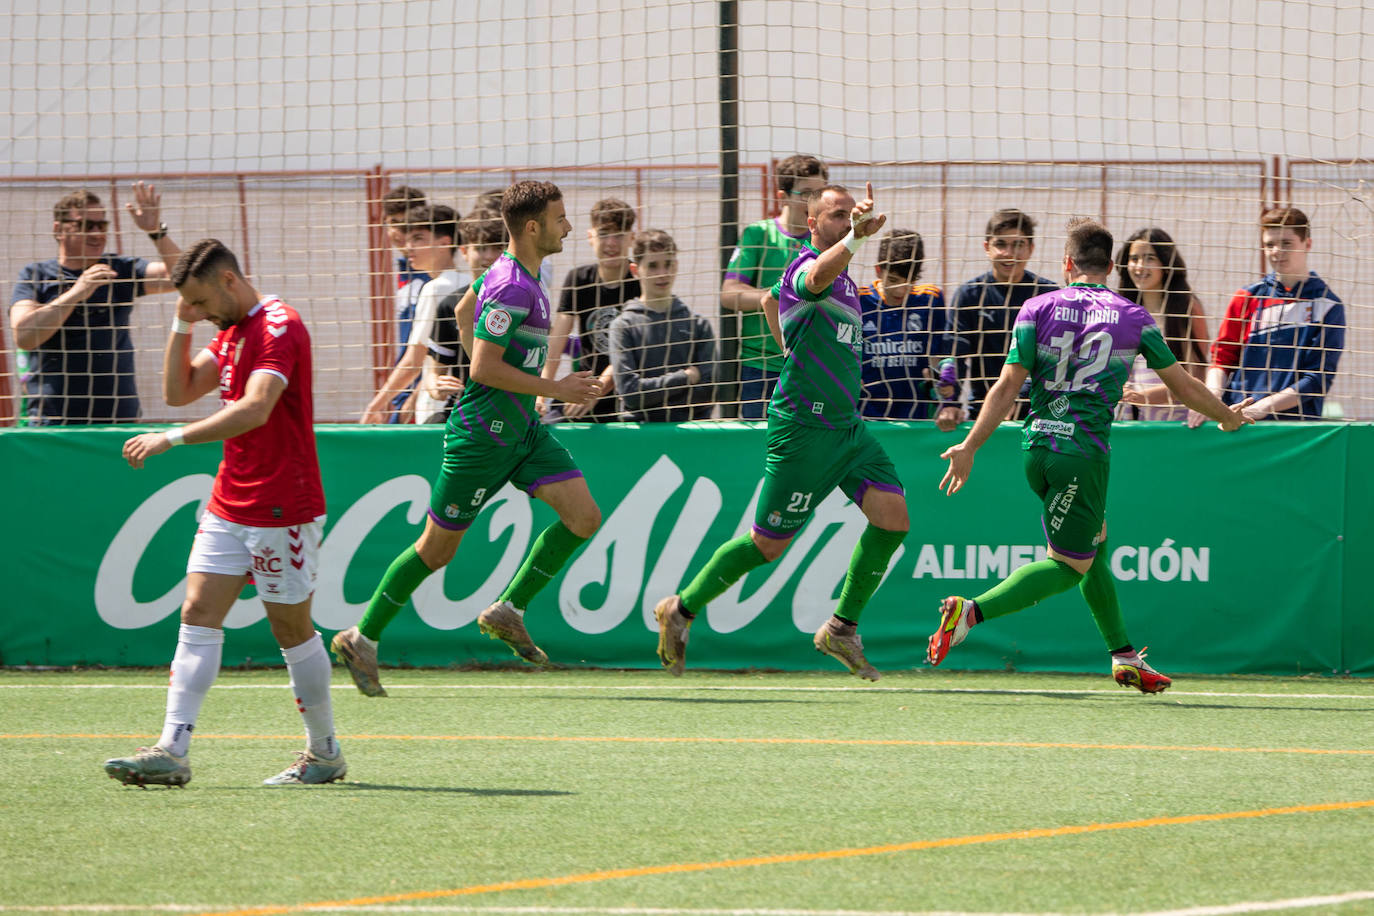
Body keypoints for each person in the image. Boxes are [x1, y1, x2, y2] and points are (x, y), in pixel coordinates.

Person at [927, 218, 1254, 694]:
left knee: (1092, 544)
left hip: (1036, 447)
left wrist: (970, 445)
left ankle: (1124, 657)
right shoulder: (1133, 316)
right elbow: (1182, 384)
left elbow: (1006, 385)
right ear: (1113, 265)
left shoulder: (1036, 307)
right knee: (1068, 564)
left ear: (1066, 264)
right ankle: (970, 612)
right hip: (1082, 454)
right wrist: (1225, 416)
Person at [331, 181, 602, 697]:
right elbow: (482, 365)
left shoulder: (512, 272)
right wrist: (555, 385)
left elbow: (460, 314)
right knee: (435, 552)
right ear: (532, 227)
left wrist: (521, 388)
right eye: (560, 218)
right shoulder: (512, 287)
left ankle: (509, 608)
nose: (567, 226)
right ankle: (361, 636)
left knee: (584, 517)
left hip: (522, 432)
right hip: (481, 438)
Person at [104, 239, 344, 787]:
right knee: (196, 612)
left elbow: (256, 409)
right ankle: (172, 748)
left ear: (229, 281)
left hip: (284, 504)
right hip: (229, 500)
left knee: (291, 629)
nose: (202, 312)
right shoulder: (229, 331)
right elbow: (179, 388)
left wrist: (171, 440)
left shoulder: (279, 325)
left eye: (201, 301)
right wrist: (180, 323)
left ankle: (325, 753)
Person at [653, 183, 908, 680]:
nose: (842, 221)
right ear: (812, 224)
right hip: (803, 428)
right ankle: (680, 610)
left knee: (893, 520)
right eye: (834, 216)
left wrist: (787, 342)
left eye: (846, 215)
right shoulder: (804, 265)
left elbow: (771, 302)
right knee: (767, 545)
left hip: (847, 429)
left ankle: (841, 628)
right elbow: (806, 279)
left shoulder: (846, 283)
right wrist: (855, 238)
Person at [10, 183, 181, 425]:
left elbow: (182, 277)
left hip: (118, 419)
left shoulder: (119, 269)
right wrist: (78, 291)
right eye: (85, 225)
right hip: (54, 422)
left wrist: (156, 232)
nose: (96, 233)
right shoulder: (35, 274)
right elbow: (24, 335)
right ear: (58, 229)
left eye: (101, 225)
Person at [1198, 206, 1344, 424]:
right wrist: (1211, 401)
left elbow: (1317, 378)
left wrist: (1262, 407)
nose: (1276, 251)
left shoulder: (1328, 306)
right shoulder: (1246, 296)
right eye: (1269, 244)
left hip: (1296, 426)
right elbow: (1222, 358)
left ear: (1308, 244)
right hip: (1237, 420)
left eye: (1286, 243)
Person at [722, 154, 829, 418]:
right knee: (759, 449)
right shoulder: (759, 235)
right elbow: (730, 294)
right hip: (761, 366)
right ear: (783, 196)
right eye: (805, 193)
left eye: (819, 193)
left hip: (813, 367)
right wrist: (782, 297)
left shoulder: (827, 243)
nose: (813, 201)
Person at [945, 208, 1058, 421]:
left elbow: (1053, 360)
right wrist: (949, 404)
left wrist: (1018, 396)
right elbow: (955, 355)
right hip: (981, 413)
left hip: (1039, 414)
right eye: (1001, 244)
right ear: (987, 247)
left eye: (1018, 245)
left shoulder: (1048, 296)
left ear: (1031, 249)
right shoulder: (970, 295)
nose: (1009, 253)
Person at [540, 198, 640, 422]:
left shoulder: (641, 281)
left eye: (620, 235)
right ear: (590, 237)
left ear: (632, 238)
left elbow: (633, 351)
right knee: (544, 426)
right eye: (604, 234)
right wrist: (542, 392)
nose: (612, 243)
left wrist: (598, 390)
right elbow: (556, 344)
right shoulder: (579, 279)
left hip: (630, 391)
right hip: (586, 385)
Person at [608, 229, 716, 421]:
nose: (662, 274)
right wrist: (686, 377)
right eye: (653, 266)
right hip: (638, 436)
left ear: (676, 266)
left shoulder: (698, 324)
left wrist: (651, 393)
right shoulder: (623, 326)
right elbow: (630, 394)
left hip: (689, 433)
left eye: (668, 264)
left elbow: (709, 392)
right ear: (635, 270)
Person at [857, 229, 959, 428]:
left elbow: (941, 356)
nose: (901, 290)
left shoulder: (930, 299)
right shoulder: (859, 301)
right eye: (893, 280)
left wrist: (947, 390)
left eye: (910, 282)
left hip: (917, 418)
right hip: (869, 418)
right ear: (878, 270)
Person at [418, 208, 507, 424]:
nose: (489, 256)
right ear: (465, 251)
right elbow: (434, 370)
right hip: (464, 411)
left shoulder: (525, 300)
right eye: (481, 248)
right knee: (433, 426)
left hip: (511, 408)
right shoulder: (450, 304)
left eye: (497, 248)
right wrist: (434, 385)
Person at [1113, 228, 1211, 421]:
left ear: (1166, 263)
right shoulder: (1121, 311)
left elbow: (1196, 377)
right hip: (1132, 423)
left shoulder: (1187, 307)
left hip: (1179, 422)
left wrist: (1143, 397)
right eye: (1134, 259)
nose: (1140, 266)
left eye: (1149, 258)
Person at [360, 185, 433, 423]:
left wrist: (418, 391)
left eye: (406, 225)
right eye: (393, 224)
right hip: (404, 391)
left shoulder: (432, 277)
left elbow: (442, 344)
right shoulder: (408, 270)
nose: (399, 233)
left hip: (424, 394)